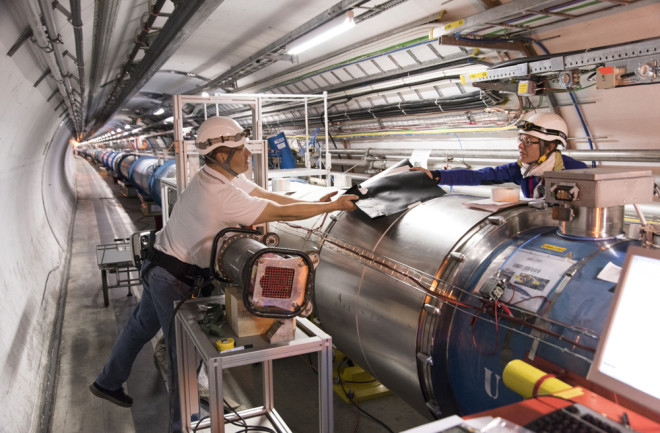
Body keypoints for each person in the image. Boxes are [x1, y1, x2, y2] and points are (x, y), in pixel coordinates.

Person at [89, 116, 358, 432]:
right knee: (184, 359)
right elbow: (280, 213)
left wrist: (318, 200)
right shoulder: (219, 194)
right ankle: (183, 425)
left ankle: (108, 381)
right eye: (242, 149)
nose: (249, 154)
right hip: (173, 279)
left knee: (139, 327)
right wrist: (334, 206)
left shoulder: (218, 176)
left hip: (158, 266)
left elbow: (267, 196)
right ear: (220, 154)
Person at [413, 113, 587, 198]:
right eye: (521, 139)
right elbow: (482, 176)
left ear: (548, 147)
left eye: (528, 141)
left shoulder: (576, 171)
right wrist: (435, 176)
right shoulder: (523, 169)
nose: (520, 146)